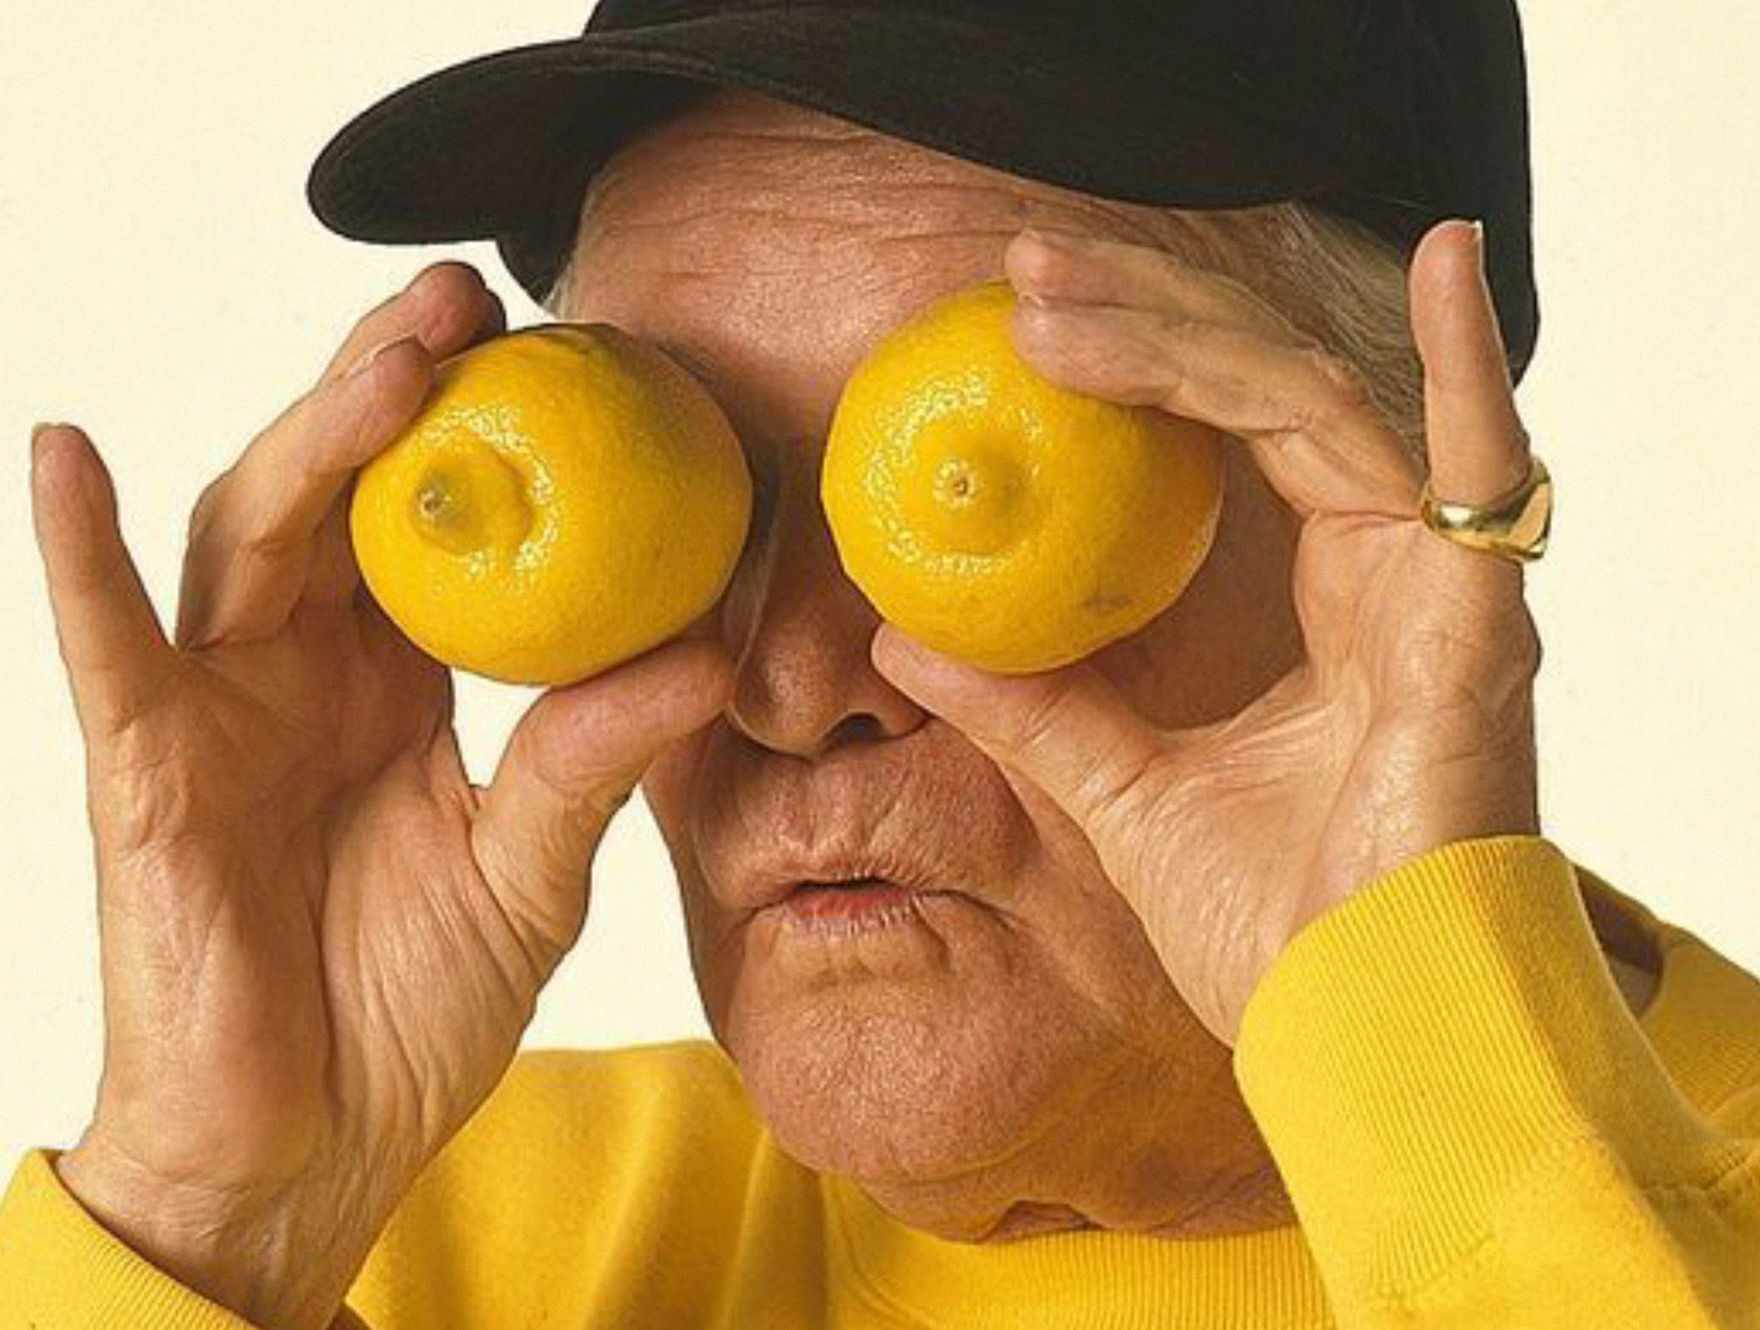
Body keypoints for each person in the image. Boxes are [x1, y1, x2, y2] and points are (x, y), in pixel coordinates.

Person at [5, 2, 1758, 1328]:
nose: (791, 679)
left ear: (1400, 510)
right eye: (693, 487)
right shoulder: (396, 1258)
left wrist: (1446, 1081)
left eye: (979, 471)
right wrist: (216, 1226)